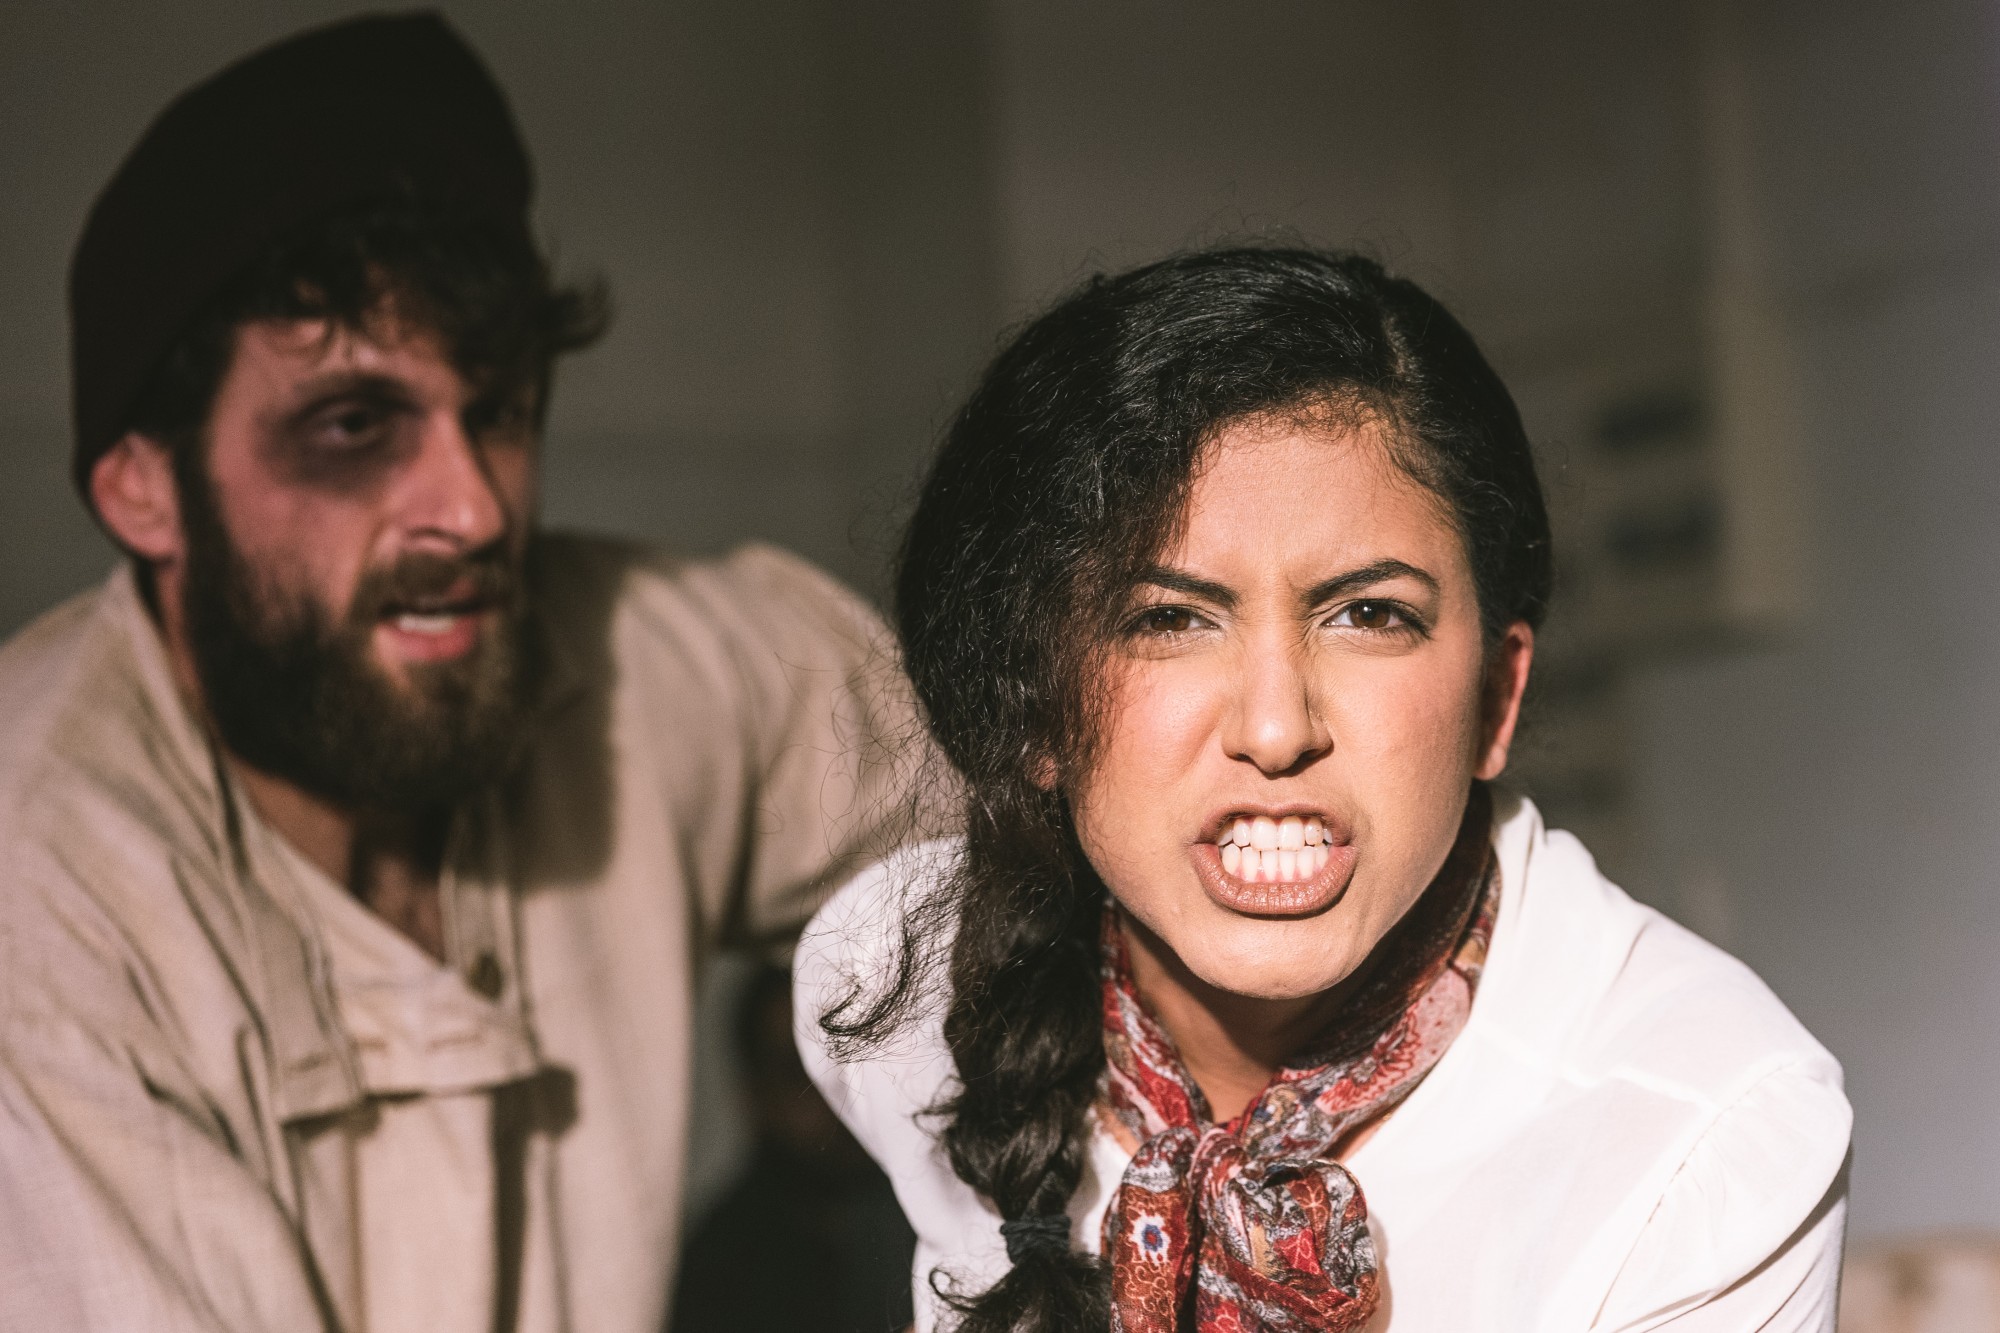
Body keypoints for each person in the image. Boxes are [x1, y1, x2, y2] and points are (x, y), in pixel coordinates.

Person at [0, 14, 923, 1333]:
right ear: (144, 487)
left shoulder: (647, 657)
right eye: (354, 425)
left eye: (496, 411)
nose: (474, 509)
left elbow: (1018, 823)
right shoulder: (38, 914)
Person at [796, 248, 1851, 1332]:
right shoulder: (894, 981)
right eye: (1169, 619)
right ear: (1032, 711)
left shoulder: (1702, 1133)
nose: (1275, 728)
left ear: (1495, 698)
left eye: (1368, 615)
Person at [670, 963, 917, 1333]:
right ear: (756, 1092)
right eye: (799, 1072)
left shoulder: (924, 1206)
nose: (836, 1092)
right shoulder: (721, 1264)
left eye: (848, 1059)